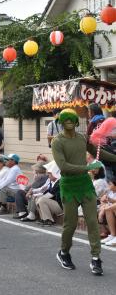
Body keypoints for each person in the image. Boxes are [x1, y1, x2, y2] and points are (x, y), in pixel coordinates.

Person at [51, 108, 116, 276]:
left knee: (93, 222)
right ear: (61, 122)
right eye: (65, 118)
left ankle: (96, 258)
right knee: (70, 224)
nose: (69, 121)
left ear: (77, 121)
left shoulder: (82, 138)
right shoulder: (57, 142)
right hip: (69, 186)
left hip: (85, 185)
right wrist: (88, 167)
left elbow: (96, 152)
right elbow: (63, 166)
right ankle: (64, 252)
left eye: (72, 118)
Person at [34, 161, 63, 226]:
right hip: (56, 205)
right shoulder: (53, 182)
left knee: (41, 200)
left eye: (50, 173)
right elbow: (46, 192)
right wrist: (36, 196)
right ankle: (44, 219)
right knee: (39, 199)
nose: (48, 175)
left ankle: (49, 220)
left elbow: (50, 194)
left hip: (61, 207)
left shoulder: (59, 182)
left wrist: (38, 197)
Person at [99, 178, 116, 246]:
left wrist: (104, 209)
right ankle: (113, 235)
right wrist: (104, 201)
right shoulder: (110, 192)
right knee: (108, 210)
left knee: (109, 209)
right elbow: (102, 201)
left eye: (110, 184)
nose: (108, 185)